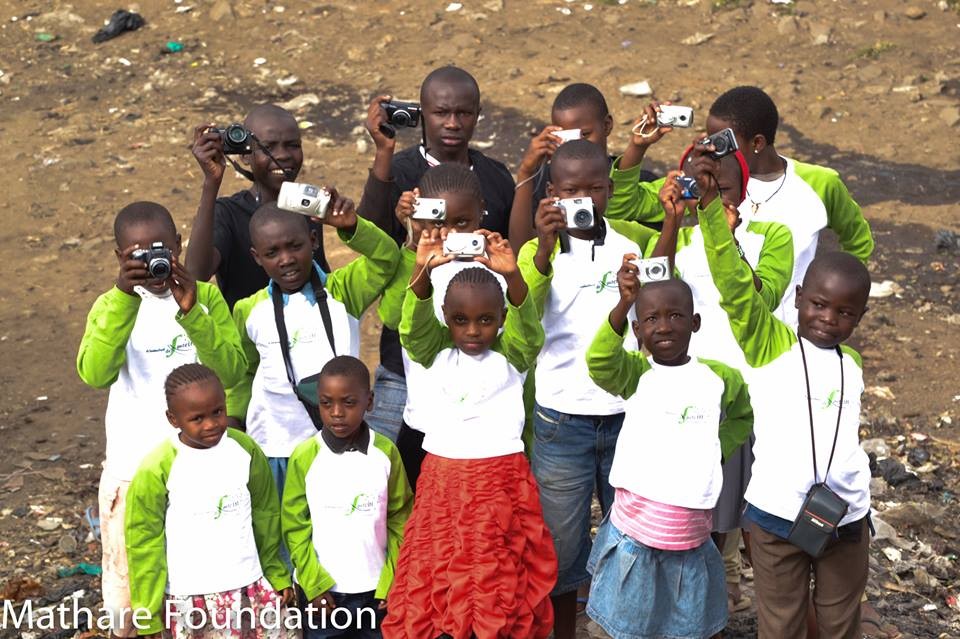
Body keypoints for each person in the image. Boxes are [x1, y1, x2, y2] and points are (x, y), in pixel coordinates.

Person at [690, 141, 872, 639]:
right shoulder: (769, 344)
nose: (828, 319)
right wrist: (709, 212)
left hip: (847, 517)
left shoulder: (851, 363)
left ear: (859, 318)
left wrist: (860, 507)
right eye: (817, 305)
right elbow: (735, 289)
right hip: (774, 520)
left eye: (844, 313)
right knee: (781, 625)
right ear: (796, 299)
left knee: (839, 624)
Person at [77, 202, 246, 639]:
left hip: (198, 467)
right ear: (119, 259)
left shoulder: (205, 298)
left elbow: (230, 371)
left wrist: (192, 314)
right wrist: (121, 298)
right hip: (134, 468)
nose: (151, 263)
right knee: (129, 581)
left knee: (195, 575)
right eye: (137, 254)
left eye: (159, 250)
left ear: (178, 246)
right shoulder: (110, 305)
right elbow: (94, 372)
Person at [516, 139, 659, 639]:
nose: (584, 200)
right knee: (559, 545)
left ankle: (622, 626)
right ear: (551, 193)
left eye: (594, 189)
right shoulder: (538, 254)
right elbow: (524, 322)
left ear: (610, 189)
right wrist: (542, 253)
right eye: (571, 190)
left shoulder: (630, 248)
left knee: (633, 537)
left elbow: (649, 330)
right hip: (561, 420)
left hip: (625, 416)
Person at [382, 228, 556, 638]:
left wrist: (513, 276)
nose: (474, 331)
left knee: (498, 576)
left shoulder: (513, 356)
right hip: (444, 483)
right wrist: (422, 274)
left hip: (500, 484)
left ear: (501, 320)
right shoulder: (435, 354)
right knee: (440, 572)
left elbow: (529, 333)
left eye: (485, 320)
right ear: (446, 317)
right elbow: (413, 330)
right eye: (460, 320)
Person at [584, 270, 753, 639]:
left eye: (675, 316)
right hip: (636, 529)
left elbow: (743, 415)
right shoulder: (635, 373)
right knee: (633, 621)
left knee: (686, 620)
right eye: (651, 318)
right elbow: (599, 361)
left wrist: (715, 447)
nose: (663, 326)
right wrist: (623, 302)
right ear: (637, 330)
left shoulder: (719, 378)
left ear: (695, 322)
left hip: (690, 534)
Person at [357, 66, 515, 443]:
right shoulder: (398, 170)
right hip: (405, 358)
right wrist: (383, 155)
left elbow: (511, 254)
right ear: (421, 113)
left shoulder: (495, 176)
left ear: (478, 114)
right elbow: (368, 237)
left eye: (463, 113)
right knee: (393, 470)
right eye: (441, 112)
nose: (453, 123)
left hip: (479, 359)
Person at [227, 199, 399, 498]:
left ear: (314, 240)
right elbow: (245, 372)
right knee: (285, 535)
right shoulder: (249, 310)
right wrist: (234, 419)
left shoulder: (343, 291)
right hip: (275, 446)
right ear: (257, 257)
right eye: (272, 253)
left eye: (295, 246)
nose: (286, 259)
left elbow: (386, 257)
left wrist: (352, 227)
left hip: (337, 442)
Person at [124, 364, 296, 639]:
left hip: (250, 587)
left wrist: (276, 573)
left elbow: (266, 516)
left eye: (218, 412)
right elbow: (143, 542)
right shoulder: (157, 467)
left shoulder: (245, 450)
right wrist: (147, 612)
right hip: (190, 598)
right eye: (197, 418)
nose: (212, 424)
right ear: (173, 419)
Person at [374, 164, 504, 487]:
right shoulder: (418, 262)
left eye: (462, 222)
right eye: (437, 221)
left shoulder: (497, 269)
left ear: (482, 212)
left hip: (482, 428)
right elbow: (392, 316)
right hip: (425, 424)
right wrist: (414, 247)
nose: (448, 233)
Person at [282, 356, 413, 638]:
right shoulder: (305, 457)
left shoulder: (386, 453)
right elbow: (294, 527)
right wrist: (314, 585)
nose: (337, 412)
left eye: (349, 402)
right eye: (327, 403)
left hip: (375, 592)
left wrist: (391, 581)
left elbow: (400, 519)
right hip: (324, 596)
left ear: (370, 401)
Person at [186, 104, 330, 309]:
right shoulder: (228, 214)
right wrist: (211, 181)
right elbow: (195, 275)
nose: (282, 155)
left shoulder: (307, 203)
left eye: (293, 145)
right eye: (268, 147)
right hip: (250, 338)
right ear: (244, 155)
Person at [509, 82, 660, 252]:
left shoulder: (641, 182)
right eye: (566, 137)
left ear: (607, 125)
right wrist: (526, 172)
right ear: (552, 191)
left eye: (584, 134)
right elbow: (521, 253)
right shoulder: (543, 184)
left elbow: (655, 250)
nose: (576, 144)